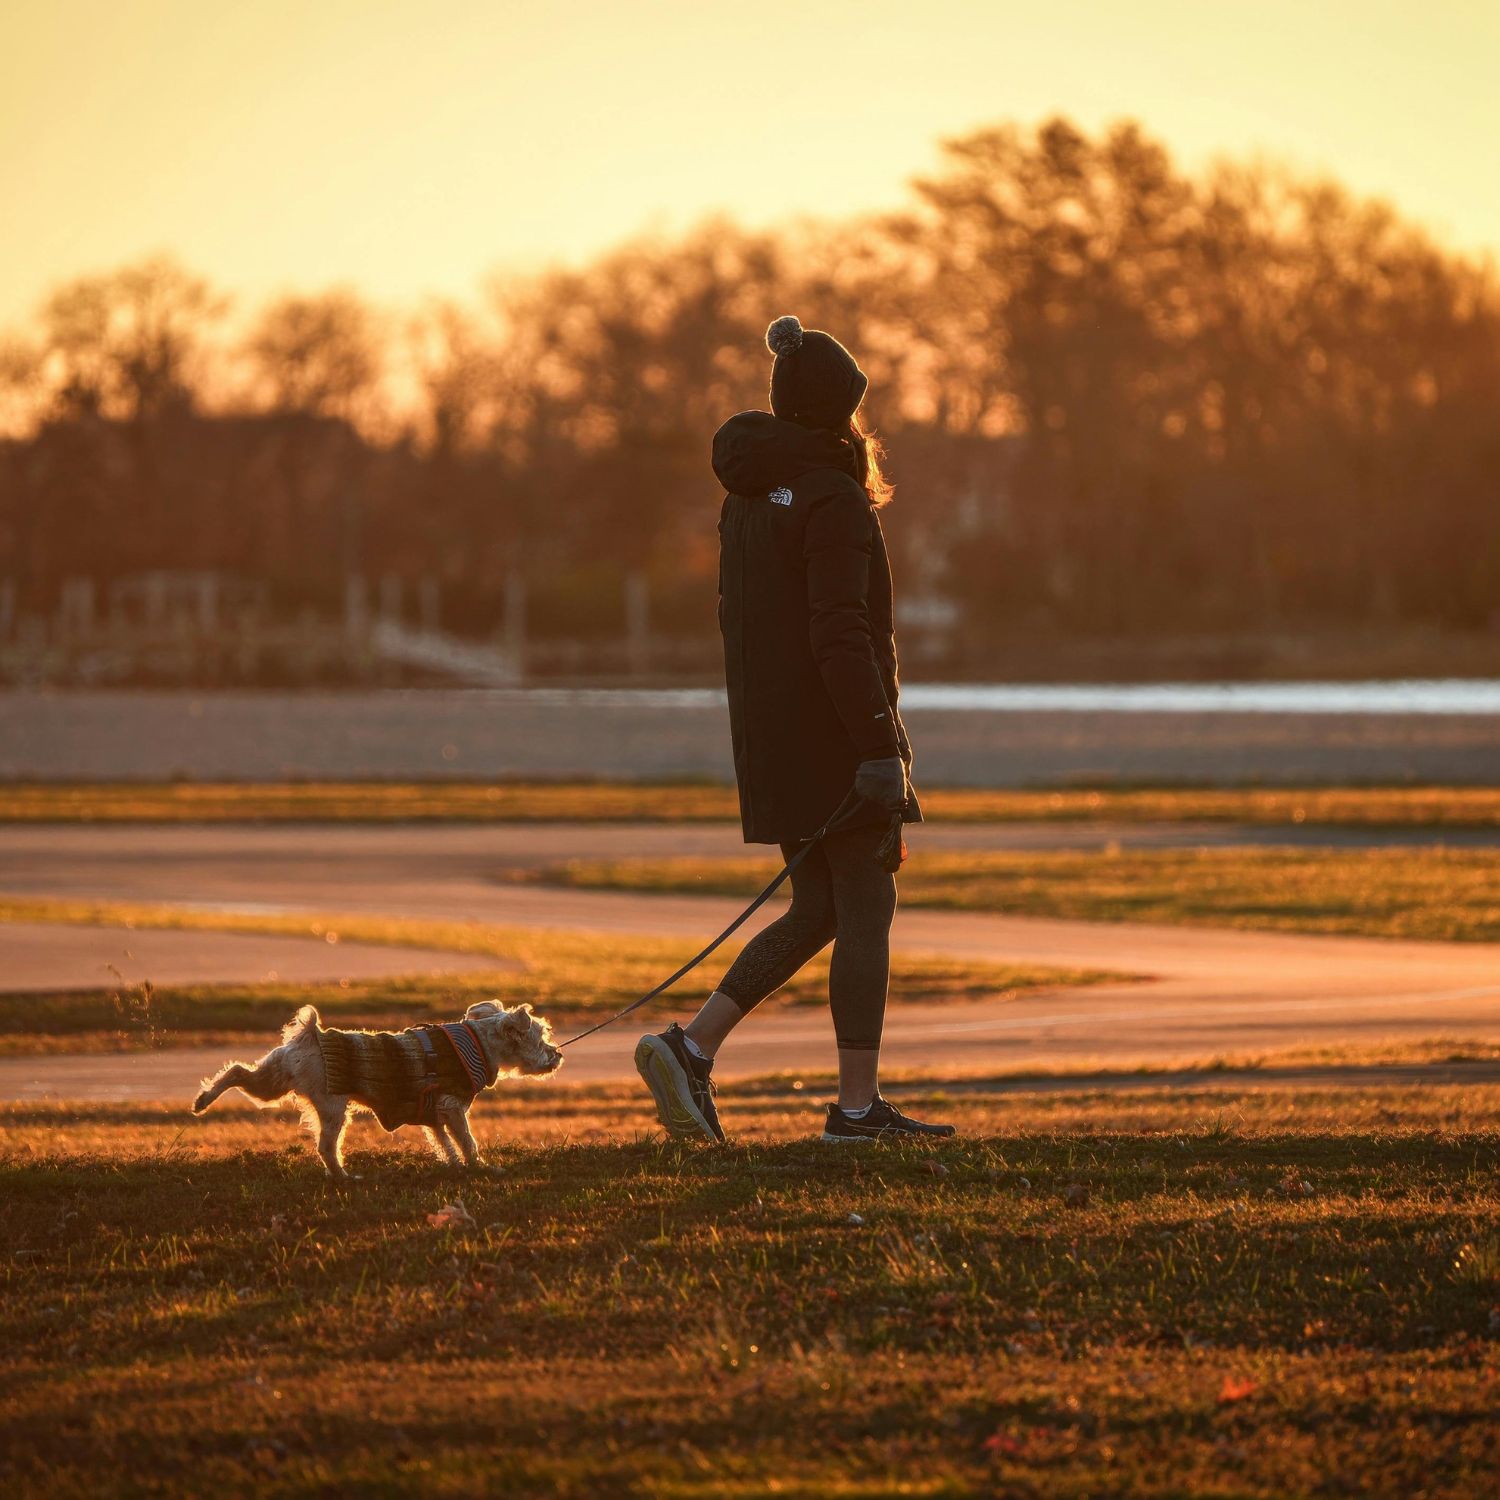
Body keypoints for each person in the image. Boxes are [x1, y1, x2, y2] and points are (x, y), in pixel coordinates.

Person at [634, 315, 955, 1145]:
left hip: (771, 741)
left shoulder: (746, 496)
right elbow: (841, 635)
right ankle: (856, 1112)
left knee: (817, 909)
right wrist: (882, 750)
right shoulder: (832, 496)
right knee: (866, 906)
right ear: (838, 412)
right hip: (836, 742)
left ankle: (691, 1047)